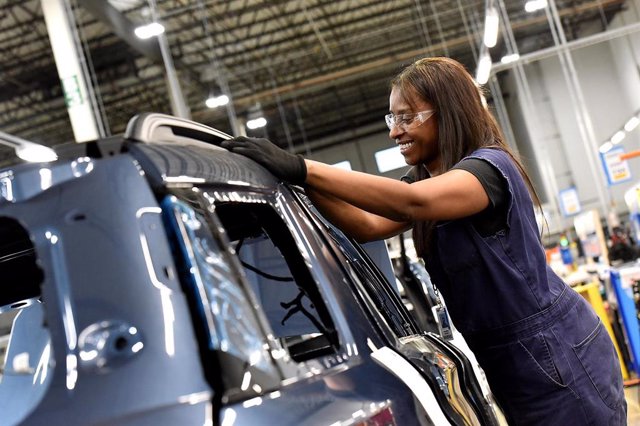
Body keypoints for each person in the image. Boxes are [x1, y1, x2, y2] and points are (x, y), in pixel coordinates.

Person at [221, 57, 626, 425]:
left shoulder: (488, 169)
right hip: (512, 360)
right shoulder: (427, 178)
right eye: (392, 119)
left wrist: (304, 167)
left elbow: (413, 204)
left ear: (447, 113)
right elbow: (366, 224)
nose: (396, 131)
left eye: (408, 117)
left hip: (557, 352)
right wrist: (299, 182)